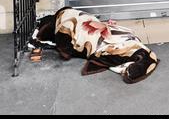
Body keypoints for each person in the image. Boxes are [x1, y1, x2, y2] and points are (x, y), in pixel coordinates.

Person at [29, 7, 159, 84]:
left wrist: (65, 50)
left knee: (107, 45)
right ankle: (139, 52)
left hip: (88, 29)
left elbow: (63, 35)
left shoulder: (62, 17)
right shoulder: (70, 14)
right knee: (118, 42)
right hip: (92, 26)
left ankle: (139, 54)